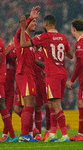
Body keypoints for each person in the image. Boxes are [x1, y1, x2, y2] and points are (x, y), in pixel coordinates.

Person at [20, 14, 73, 142]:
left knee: (55, 104)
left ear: (46, 24)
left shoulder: (44, 37)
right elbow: (70, 55)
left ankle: (65, 135)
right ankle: (53, 133)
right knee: (53, 104)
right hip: (62, 72)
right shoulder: (63, 37)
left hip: (52, 73)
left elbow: (23, 44)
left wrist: (22, 29)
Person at [14, 6, 40, 142]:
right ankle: (24, 135)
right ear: (26, 24)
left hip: (29, 74)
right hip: (24, 73)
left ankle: (29, 133)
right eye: (33, 22)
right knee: (29, 105)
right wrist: (30, 17)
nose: (35, 24)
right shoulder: (21, 36)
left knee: (30, 105)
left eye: (36, 22)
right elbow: (19, 32)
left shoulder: (30, 40)